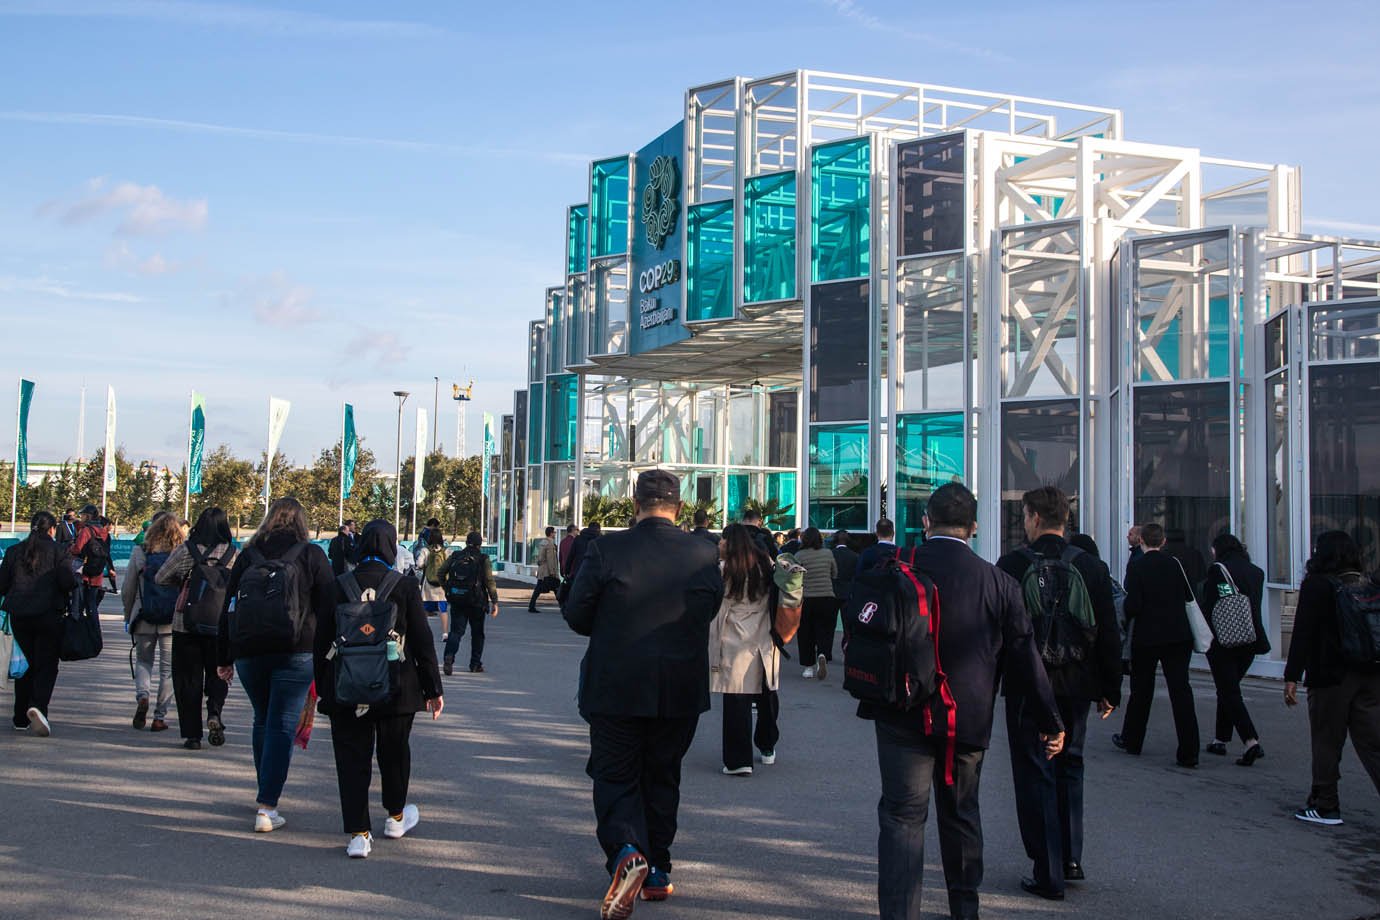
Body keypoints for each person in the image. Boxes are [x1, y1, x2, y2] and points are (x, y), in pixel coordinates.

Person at [860, 482, 1063, 920]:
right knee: (962, 814)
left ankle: (899, 914)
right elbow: (1025, 655)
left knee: (901, 817)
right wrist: (1051, 719)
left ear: (926, 522)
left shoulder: (897, 565)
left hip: (902, 711)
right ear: (973, 527)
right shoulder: (999, 581)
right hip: (965, 720)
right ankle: (964, 910)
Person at [564, 469, 723, 917]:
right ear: (680, 506)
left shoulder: (606, 549)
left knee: (615, 774)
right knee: (663, 772)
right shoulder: (704, 553)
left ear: (634, 504)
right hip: (680, 686)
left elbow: (578, 616)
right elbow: (708, 610)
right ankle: (657, 870)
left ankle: (626, 850)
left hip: (616, 683)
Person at [996, 490, 1122, 900]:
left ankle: (1046, 868)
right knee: (1071, 764)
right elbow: (1108, 632)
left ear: (1032, 517)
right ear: (1065, 519)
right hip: (1078, 683)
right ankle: (1070, 857)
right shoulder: (1091, 566)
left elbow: (1000, 634)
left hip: (1029, 685)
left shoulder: (1013, 565)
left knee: (1034, 770)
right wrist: (1110, 688)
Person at [316, 520, 444, 858]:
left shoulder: (337, 586)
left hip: (346, 687)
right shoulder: (403, 586)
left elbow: (320, 645)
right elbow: (422, 640)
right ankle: (395, 816)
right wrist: (433, 688)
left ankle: (359, 833)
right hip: (397, 685)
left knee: (352, 758)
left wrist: (321, 689)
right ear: (390, 546)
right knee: (394, 752)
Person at [216, 497, 336, 833]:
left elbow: (228, 608)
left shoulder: (248, 556)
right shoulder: (311, 555)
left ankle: (265, 790)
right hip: (296, 650)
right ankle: (267, 805)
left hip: (249, 651)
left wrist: (224, 657)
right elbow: (329, 607)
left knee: (261, 718)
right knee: (282, 722)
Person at [1284, 530, 1380, 825]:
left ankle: (1325, 804)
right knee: (1373, 743)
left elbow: (1303, 633)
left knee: (1327, 739)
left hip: (1330, 675)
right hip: (1371, 673)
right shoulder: (1367, 583)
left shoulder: (1317, 585)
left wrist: (1292, 676)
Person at [1114, 522, 1200, 767]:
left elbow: (1133, 605)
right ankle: (1189, 750)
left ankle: (1133, 739)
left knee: (1141, 690)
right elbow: (1188, 594)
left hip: (1147, 636)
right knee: (1181, 690)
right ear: (1163, 542)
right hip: (1178, 635)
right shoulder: (1175, 565)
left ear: (1141, 541)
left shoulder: (1137, 567)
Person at [155, 507, 237, 750]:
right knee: (219, 671)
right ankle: (214, 712)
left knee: (187, 678)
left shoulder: (186, 550)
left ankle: (192, 735)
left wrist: (184, 582)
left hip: (186, 624)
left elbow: (161, 577)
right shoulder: (233, 554)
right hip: (220, 625)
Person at [710, 523, 780, 775]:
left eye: (722, 540)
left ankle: (738, 760)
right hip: (763, 636)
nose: (719, 544)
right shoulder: (766, 565)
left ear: (731, 543)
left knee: (736, 699)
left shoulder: (724, 570)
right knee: (766, 694)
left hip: (733, 638)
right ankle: (767, 744)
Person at [0, 511, 78, 736]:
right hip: (48, 615)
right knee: (46, 664)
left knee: (24, 663)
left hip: (20, 616)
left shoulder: (15, 551)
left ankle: (20, 716)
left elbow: (2, 584)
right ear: (52, 529)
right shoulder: (58, 551)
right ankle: (38, 707)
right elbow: (67, 582)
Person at [1201, 533, 1269, 766]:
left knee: (1228, 690)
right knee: (1228, 687)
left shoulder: (1218, 570)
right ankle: (1220, 738)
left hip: (1224, 639)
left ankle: (1251, 741)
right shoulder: (1256, 572)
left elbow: (1212, 603)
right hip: (1250, 638)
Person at [122, 512, 182, 732]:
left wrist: (128, 614)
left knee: (143, 661)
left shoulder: (140, 552)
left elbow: (128, 587)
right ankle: (159, 716)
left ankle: (142, 696)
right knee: (168, 670)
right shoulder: (180, 554)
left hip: (144, 615)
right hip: (171, 619)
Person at [439, 532, 499, 674]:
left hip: (457, 599)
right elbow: (489, 581)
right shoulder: (483, 559)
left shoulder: (456, 556)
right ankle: (475, 664)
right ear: (480, 544)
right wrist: (494, 601)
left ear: (466, 542)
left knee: (456, 632)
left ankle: (449, 657)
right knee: (477, 634)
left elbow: (441, 573)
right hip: (477, 601)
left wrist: (447, 588)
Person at [793, 527, 838, 680]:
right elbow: (835, 573)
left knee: (806, 633)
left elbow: (794, 578)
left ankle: (808, 668)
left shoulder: (799, 555)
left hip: (806, 599)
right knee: (825, 630)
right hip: (827, 597)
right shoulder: (828, 553)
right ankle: (823, 654)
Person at [70, 503, 117, 621]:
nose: (81, 518)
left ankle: (79, 630)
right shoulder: (104, 532)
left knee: (79, 603)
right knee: (92, 605)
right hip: (98, 572)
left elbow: (77, 549)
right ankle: (94, 629)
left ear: (89, 517)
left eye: (83, 516)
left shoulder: (86, 531)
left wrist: (69, 548)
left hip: (84, 572)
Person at [414, 528, 451, 638]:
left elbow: (419, 564)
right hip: (442, 585)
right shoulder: (446, 551)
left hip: (428, 585)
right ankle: (445, 633)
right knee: (443, 610)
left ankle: (424, 633)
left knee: (425, 609)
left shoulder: (425, 550)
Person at [528, 526, 561, 612]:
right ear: (551, 533)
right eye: (554, 532)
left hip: (542, 570)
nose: (555, 534)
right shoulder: (550, 544)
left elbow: (540, 557)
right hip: (548, 571)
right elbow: (550, 559)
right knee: (556, 588)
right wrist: (552, 571)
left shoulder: (543, 542)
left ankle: (531, 606)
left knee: (539, 588)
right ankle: (564, 607)